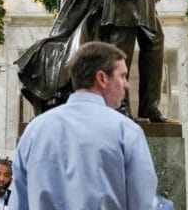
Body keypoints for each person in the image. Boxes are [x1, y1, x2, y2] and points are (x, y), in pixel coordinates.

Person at [11, 41, 158, 210]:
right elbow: (142, 202)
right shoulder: (126, 131)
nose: (127, 84)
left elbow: (19, 202)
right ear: (102, 78)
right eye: (122, 76)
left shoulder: (34, 131)